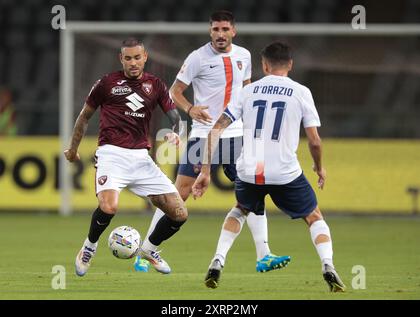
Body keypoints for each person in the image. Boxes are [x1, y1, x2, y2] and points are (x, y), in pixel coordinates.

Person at [134, 10, 290, 288]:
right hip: (204, 135)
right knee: (178, 193)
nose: (220, 34)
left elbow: (247, 90)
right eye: (215, 29)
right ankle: (145, 251)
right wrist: (191, 108)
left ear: (233, 31)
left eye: (224, 29)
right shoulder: (197, 58)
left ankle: (264, 254)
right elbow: (174, 92)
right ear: (210, 32)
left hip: (237, 135)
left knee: (253, 190)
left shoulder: (244, 56)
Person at [192, 41, 346, 292]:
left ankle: (217, 260)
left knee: (240, 210)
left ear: (264, 65)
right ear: (291, 65)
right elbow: (315, 141)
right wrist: (319, 167)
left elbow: (216, 130)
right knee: (314, 216)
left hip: (249, 170)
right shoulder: (301, 92)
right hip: (285, 172)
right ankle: (328, 264)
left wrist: (206, 171)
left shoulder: (247, 91)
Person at [64, 38, 187, 276]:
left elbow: (176, 119)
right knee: (109, 207)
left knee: (179, 213)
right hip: (111, 154)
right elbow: (84, 117)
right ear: (121, 59)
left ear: (145, 57)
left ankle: (149, 250)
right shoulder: (106, 83)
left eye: (137, 57)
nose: (133, 62)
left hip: (141, 158)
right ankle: (89, 247)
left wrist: (176, 134)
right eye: (128, 58)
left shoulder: (156, 85)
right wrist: (72, 149)